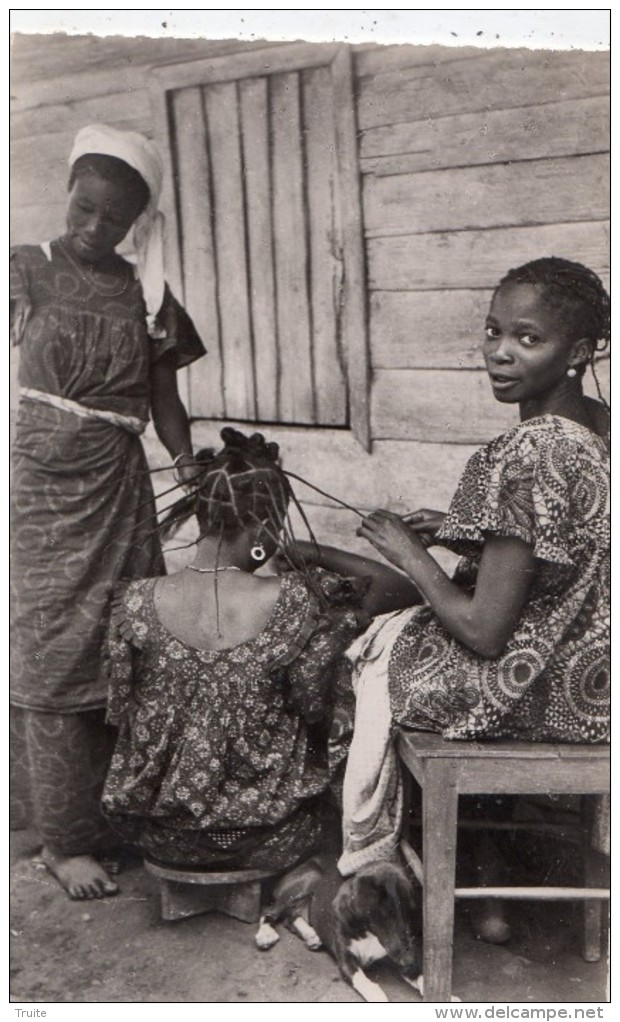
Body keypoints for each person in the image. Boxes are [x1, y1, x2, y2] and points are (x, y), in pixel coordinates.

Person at [300, 257, 610, 937]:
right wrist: (459, 530)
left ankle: (397, 863)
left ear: (581, 352)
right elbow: (570, 546)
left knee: (370, 641)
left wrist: (410, 551)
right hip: (593, 682)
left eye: (528, 340)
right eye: (494, 331)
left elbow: (484, 633)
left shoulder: (517, 454)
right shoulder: (601, 427)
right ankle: (483, 862)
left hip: (524, 688)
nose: (500, 353)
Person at [10, 124, 206, 899]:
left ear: (135, 225)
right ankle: (62, 841)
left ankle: (118, 820)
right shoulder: (23, 268)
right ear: (67, 194)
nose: (94, 229)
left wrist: (195, 471)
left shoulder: (145, 294)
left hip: (117, 491)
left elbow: (167, 403)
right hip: (39, 494)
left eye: (113, 220)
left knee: (123, 648)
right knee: (54, 655)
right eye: (84, 209)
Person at [101, 428, 418, 874]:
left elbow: (122, 717)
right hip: (269, 839)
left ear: (201, 514)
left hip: (160, 839)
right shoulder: (297, 601)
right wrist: (307, 550)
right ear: (267, 527)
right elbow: (400, 591)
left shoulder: (132, 602)